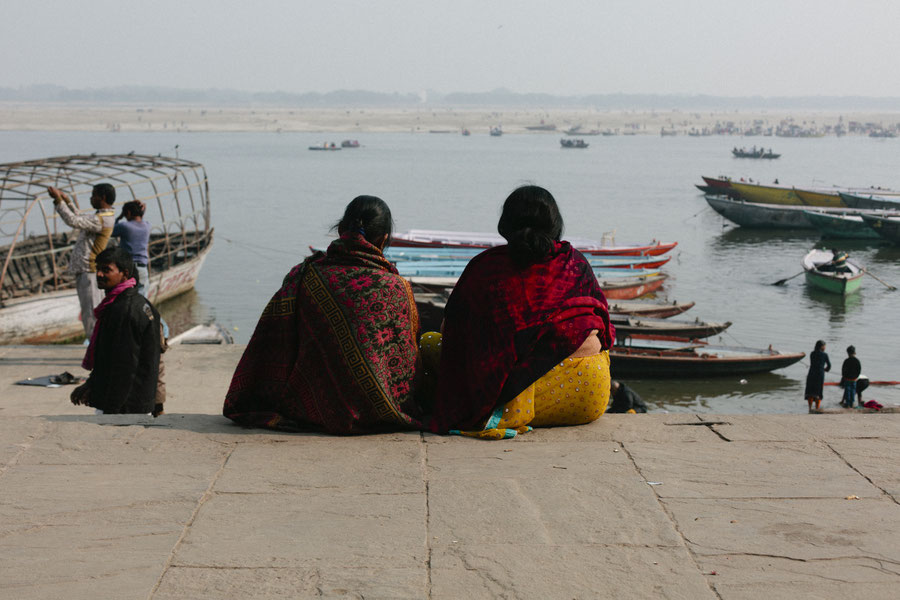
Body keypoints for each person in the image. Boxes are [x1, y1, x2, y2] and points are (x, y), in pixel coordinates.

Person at [222, 195, 424, 434]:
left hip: (308, 409)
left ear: (340, 230)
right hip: (377, 412)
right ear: (383, 239)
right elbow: (405, 364)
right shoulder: (396, 287)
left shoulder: (304, 276)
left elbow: (271, 341)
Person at [428, 185, 616, 439]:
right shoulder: (575, 262)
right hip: (585, 396)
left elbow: (450, 335)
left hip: (498, 394)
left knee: (428, 343)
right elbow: (606, 334)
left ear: (506, 224)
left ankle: (502, 409)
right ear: (554, 224)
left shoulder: (484, 268)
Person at [70, 247, 162, 414]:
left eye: (106, 270)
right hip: (131, 401)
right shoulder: (135, 303)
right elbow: (108, 358)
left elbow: (126, 367)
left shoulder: (124, 311)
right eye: (97, 269)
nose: (99, 274)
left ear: (124, 274)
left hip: (126, 406)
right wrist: (90, 384)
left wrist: (111, 411)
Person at [48, 184, 117, 337]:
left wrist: (58, 200)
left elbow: (73, 221)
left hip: (89, 270)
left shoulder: (102, 220)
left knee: (91, 313)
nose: (91, 198)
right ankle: (96, 348)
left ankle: (95, 351)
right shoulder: (100, 216)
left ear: (102, 197)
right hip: (86, 270)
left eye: (94, 195)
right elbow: (80, 217)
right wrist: (67, 201)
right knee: (91, 312)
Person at [113, 200, 151, 295]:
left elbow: (111, 230)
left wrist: (119, 217)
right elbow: (140, 218)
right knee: (142, 299)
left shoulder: (125, 226)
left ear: (128, 213)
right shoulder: (147, 226)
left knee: (124, 297)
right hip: (142, 268)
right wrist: (142, 210)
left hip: (127, 268)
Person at [804, 340, 831, 412]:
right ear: (821, 347)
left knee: (810, 391)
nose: (825, 347)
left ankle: (810, 408)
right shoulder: (825, 355)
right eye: (824, 346)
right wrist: (825, 369)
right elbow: (829, 366)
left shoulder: (812, 354)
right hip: (820, 374)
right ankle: (817, 408)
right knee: (818, 392)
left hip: (811, 373)